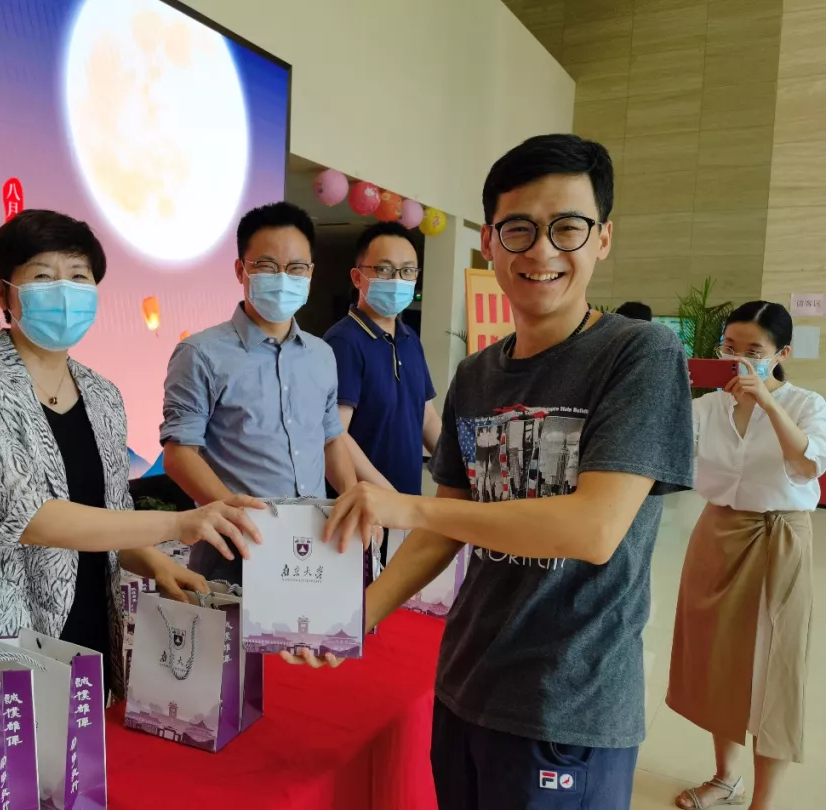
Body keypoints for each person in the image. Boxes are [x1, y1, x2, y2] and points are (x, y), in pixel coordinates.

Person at [291, 135, 695, 810]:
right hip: (465, 685)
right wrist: (360, 615)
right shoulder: (477, 375)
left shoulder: (639, 355)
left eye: (568, 228)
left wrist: (409, 506)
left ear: (603, 238)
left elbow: (594, 529)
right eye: (519, 229)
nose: (542, 251)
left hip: (566, 706)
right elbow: (445, 528)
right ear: (489, 242)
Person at [0, 210, 263, 701]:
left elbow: (110, 517)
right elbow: (30, 517)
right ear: (2, 293)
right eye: (43, 276)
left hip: (90, 624)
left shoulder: (102, 394)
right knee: (4, 748)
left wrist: (155, 563)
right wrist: (178, 524)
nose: (64, 291)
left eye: (78, 277)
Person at [669, 301, 825, 810]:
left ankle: (764, 801)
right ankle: (725, 778)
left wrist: (768, 405)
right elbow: (669, 457)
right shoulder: (706, 408)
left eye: (753, 351)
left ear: (781, 354)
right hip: (717, 531)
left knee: (773, 670)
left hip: (779, 535)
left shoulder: (806, 404)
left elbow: (807, 465)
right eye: (728, 348)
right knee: (719, 659)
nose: (738, 360)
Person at [161, 201, 358, 585]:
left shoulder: (322, 355)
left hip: (316, 545)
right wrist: (236, 516)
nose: (283, 277)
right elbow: (179, 455)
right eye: (267, 266)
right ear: (241, 270)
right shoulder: (201, 353)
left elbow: (331, 439)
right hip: (235, 548)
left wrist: (352, 500)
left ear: (310, 272)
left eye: (296, 267)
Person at [323, 222, 440, 535]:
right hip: (363, 512)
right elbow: (335, 433)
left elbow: (427, 417)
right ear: (357, 277)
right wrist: (388, 494)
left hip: (404, 509)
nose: (397, 280)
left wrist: (466, 473)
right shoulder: (343, 342)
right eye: (385, 270)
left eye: (407, 271)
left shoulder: (409, 338)